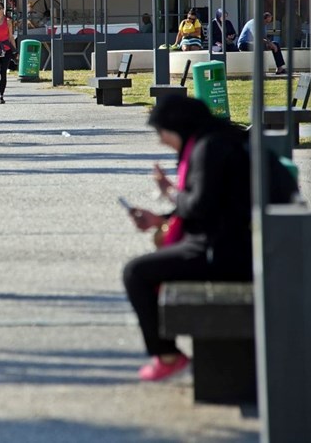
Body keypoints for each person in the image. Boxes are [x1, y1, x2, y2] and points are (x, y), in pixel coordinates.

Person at [121, 95, 296, 382]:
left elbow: (200, 206)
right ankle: (168, 354)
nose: (162, 141)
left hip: (226, 252)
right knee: (145, 269)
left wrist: (171, 194)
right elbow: (214, 205)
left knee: (136, 273)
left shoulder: (208, 148)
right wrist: (161, 219)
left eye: (161, 132)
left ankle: (168, 356)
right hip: (244, 244)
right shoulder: (220, 140)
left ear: (177, 126)